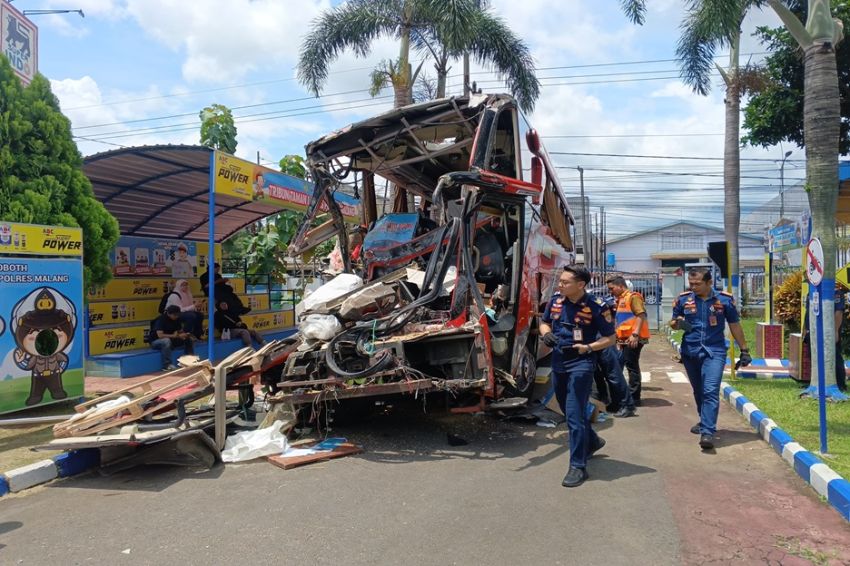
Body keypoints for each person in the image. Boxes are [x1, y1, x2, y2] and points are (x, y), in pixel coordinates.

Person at [540, 265, 617, 487]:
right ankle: (592, 441)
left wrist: (589, 347)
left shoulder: (597, 307)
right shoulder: (556, 301)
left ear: (581, 285)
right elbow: (544, 322)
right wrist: (546, 335)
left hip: (581, 363)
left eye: (565, 282)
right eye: (560, 281)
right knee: (568, 409)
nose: (560, 285)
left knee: (574, 416)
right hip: (559, 361)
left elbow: (610, 339)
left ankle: (578, 466)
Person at [670, 268, 751, 450]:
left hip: (715, 351)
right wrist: (677, 323)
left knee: (710, 390)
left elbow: (734, 325)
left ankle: (708, 431)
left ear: (709, 283)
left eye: (698, 284)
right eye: (691, 284)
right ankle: (703, 420)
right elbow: (674, 323)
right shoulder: (684, 299)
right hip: (690, 351)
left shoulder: (724, 300)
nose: (693, 287)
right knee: (698, 390)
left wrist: (744, 349)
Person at [608, 276, 650, 406]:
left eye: (612, 288)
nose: (610, 291)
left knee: (632, 366)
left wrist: (635, 334)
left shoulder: (633, 297)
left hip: (634, 338)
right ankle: (629, 396)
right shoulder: (621, 299)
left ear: (620, 285)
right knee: (627, 364)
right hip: (625, 339)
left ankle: (634, 397)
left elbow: (640, 315)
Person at [150, 305, 195, 370]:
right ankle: (167, 365)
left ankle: (189, 359)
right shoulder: (161, 319)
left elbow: (179, 331)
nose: (176, 317)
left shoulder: (177, 319)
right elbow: (160, 335)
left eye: (177, 315)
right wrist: (174, 336)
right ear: (168, 313)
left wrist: (184, 334)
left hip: (172, 339)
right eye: (174, 315)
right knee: (166, 341)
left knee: (188, 339)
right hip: (156, 341)